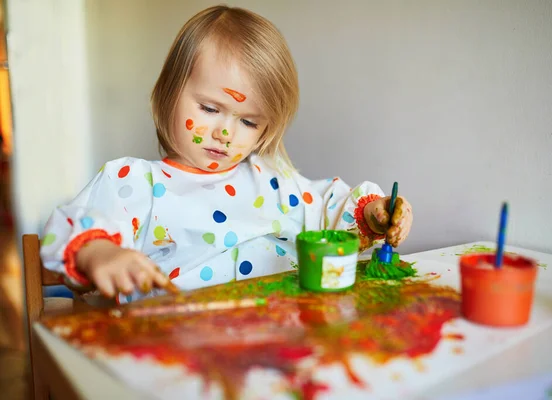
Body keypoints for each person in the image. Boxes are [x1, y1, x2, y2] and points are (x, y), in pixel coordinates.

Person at [39, 5, 413, 304]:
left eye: (249, 122)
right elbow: (83, 224)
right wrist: (100, 254)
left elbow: (330, 209)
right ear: (169, 92)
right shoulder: (133, 183)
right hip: (175, 347)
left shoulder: (275, 181)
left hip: (277, 342)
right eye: (210, 108)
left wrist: (371, 213)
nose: (225, 133)